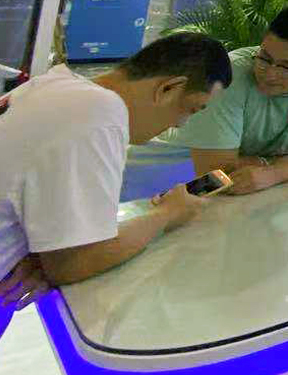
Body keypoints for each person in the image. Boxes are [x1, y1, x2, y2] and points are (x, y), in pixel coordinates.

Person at [0, 34, 232, 337]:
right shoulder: (99, 115)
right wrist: (168, 214)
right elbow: (73, 264)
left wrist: (44, 253)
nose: (181, 124)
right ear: (169, 88)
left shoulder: (55, 86)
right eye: (191, 108)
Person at [169, 3, 288, 195]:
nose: (269, 74)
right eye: (264, 58)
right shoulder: (225, 76)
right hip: (171, 181)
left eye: (287, 67)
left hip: (251, 192)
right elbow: (217, 172)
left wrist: (275, 173)